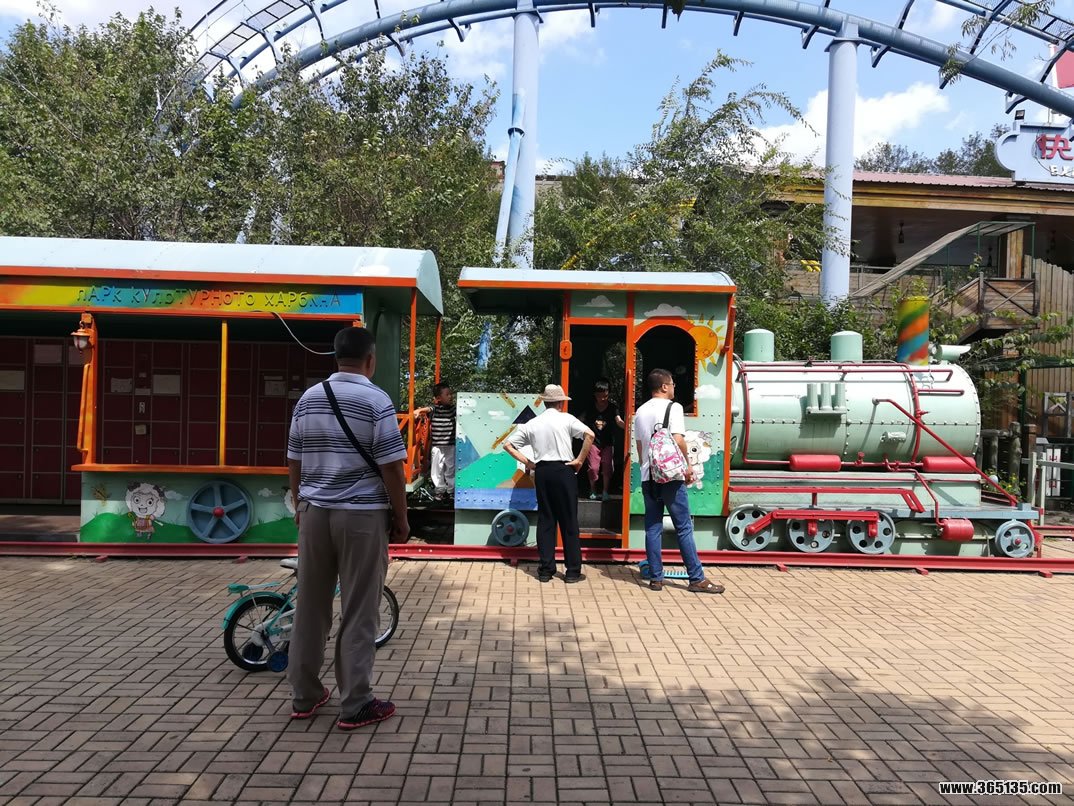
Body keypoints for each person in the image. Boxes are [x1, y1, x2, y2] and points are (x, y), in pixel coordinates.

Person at [286, 326, 409, 730]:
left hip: (314, 514)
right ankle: (355, 703)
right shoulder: (376, 400)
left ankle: (305, 696)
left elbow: (294, 459)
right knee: (359, 608)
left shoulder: (308, 399)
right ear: (371, 359)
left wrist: (301, 504)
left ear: (336, 357)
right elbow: (392, 466)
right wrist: (401, 517)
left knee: (310, 605)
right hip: (361, 516)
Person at [634, 368, 725, 594]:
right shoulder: (673, 407)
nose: (674, 387)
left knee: (652, 528)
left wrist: (649, 467)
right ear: (664, 386)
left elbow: (640, 447)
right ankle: (696, 578)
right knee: (683, 527)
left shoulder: (640, 411)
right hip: (671, 477)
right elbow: (678, 440)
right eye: (672, 383)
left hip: (648, 476)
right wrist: (687, 466)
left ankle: (656, 579)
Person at [503, 384, 595, 583]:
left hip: (542, 471)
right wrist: (579, 460)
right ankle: (572, 571)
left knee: (546, 519)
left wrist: (529, 463)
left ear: (545, 402)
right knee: (569, 520)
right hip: (564, 470)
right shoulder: (567, 419)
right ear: (561, 402)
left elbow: (508, 445)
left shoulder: (532, 423)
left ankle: (546, 570)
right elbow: (590, 435)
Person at [581, 379, 624, 501]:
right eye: (600, 396)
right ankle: (593, 489)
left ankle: (605, 491)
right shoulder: (590, 407)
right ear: (595, 394)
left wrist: (629, 427)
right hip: (592, 442)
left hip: (608, 442)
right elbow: (580, 419)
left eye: (605, 396)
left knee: (607, 467)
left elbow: (619, 421)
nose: (602, 398)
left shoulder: (613, 408)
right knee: (593, 467)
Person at [417, 382, 456, 501]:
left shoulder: (453, 409)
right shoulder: (435, 409)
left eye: (450, 394)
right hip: (437, 445)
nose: (450, 396)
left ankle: (451, 490)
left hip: (450, 444)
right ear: (439, 398)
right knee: (436, 469)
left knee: (450, 468)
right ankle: (440, 491)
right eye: (447, 394)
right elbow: (428, 408)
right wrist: (418, 411)